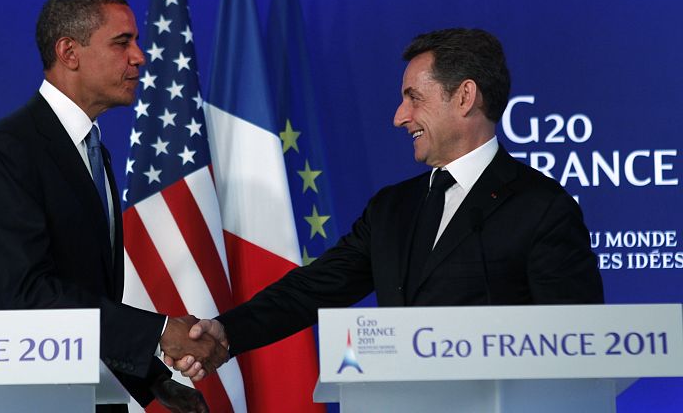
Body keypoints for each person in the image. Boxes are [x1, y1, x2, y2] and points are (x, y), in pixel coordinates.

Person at [170, 28, 604, 381]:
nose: (400, 116)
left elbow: (575, 343)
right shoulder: (393, 208)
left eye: (414, 97)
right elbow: (313, 288)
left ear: (465, 96)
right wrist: (225, 331)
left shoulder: (543, 208)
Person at [0, 0, 224, 413]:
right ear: (69, 51)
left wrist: (155, 380)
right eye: (122, 42)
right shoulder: (10, 148)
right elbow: (27, 293)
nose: (139, 57)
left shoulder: (94, 150)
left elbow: (84, 296)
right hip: (28, 397)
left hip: (85, 395)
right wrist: (159, 333)